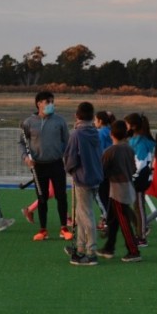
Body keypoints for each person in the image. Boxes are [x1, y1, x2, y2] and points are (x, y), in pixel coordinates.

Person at [18, 91, 72, 241]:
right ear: (39, 104)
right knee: (42, 198)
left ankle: (64, 228)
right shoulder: (28, 122)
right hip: (38, 167)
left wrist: (68, 160)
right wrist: (26, 158)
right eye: (48, 102)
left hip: (56, 164)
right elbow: (22, 143)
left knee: (61, 197)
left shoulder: (60, 121)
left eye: (52, 102)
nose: (51, 105)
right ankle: (43, 230)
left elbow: (67, 142)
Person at [63, 102, 104, 266]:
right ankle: (80, 248)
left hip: (82, 177)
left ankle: (91, 251)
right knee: (81, 214)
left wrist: (71, 170)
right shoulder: (95, 132)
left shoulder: (76, 134)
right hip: (95, 175)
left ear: (77, 115)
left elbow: (70, 157)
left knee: (86, 215)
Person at [95, 120, 141, 262]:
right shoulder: (129, 148)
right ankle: (109, 247)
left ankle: (133, 251)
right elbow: (133, 169)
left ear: (111, 134)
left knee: (123, 221)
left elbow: (101, 172)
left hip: (117, 189)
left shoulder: (110, 151)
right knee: (114, 220)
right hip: (127, 186)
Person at [124, 112, 156, 247]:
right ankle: (140, 232)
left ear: (134, 126)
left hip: (139, 178)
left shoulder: (141, 141)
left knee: (139, 207)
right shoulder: (135, 140)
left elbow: (141, 163)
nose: (125, 126)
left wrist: (132, 176)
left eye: (127, 124)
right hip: (137, 177)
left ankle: (142, 236)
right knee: (135, 206)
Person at [94, 110, 114, 231]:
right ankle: (108, 218)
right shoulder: (111, 131)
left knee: (99, 195)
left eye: (95, 120)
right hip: (112, 167)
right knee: (108, 194)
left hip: (103, 167)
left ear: (100, 121)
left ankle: (107, 219)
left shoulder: (101, 133)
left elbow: (99, 152)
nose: (94, 122)